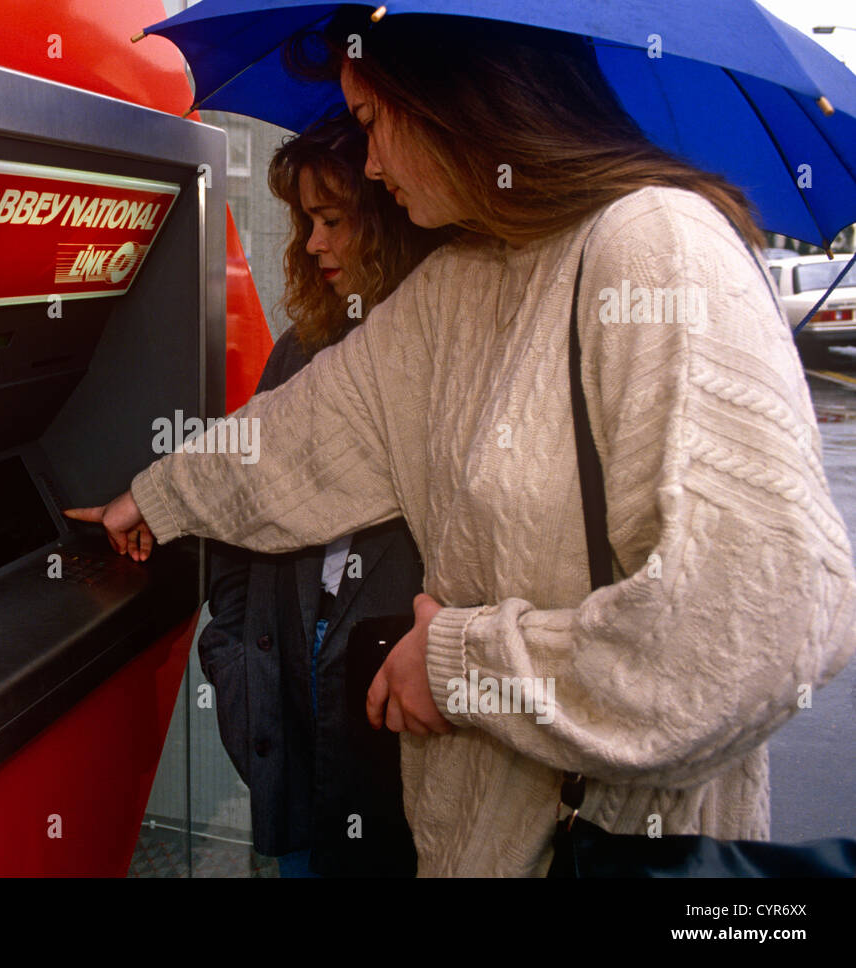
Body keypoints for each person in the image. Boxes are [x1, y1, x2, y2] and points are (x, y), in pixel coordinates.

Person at [69, 12, 856, 876]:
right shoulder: (465, 281)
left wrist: (459, 666)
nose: (367, 164)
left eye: (371, 123)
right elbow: (304, 435)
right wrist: (154, 498)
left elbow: (755, 625)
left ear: (461, 100)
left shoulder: (656, 244)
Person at [199, 114, 444, 877]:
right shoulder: (300, 348)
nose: (312, 244)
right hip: (290, 733)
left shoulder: (451, 359)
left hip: (396, 742)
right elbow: (237, 509)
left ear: (392, 220)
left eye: (333, 220)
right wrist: (235, 659)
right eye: (307, 221)